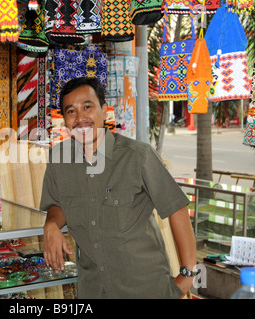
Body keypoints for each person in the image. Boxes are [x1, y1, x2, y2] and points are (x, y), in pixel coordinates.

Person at [40, 76, 197, 298]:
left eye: (87, 107)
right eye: (71, 111)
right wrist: (52, 225)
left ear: (104, 111)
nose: (80, 118)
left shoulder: (138, 156)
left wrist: (188, 275)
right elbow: (58, 202)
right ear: (64, 119)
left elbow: (177, 208)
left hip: (145, 288)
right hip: (93, 290)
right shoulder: (59, 158)